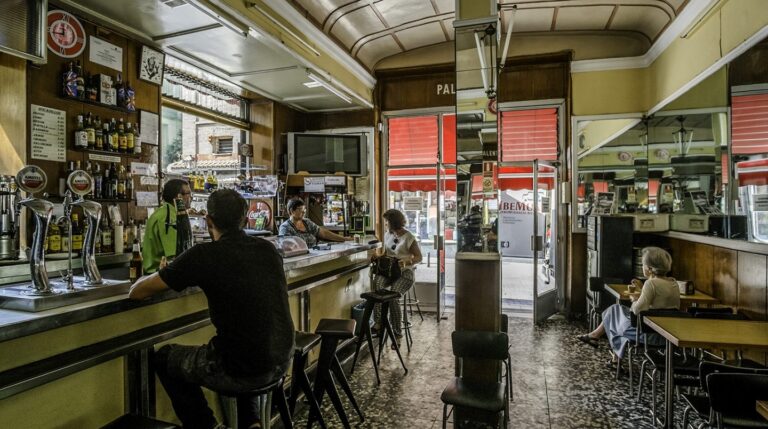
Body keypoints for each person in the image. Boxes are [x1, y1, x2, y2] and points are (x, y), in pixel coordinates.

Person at [129, 189, 295, 429]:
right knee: (243, 339)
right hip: (281, 360)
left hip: (242, 368)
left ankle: (208, 426)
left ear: (208, 220)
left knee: (165, 358)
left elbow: (138, 292)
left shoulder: (203, 255)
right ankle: (252, 423)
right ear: (245, 217)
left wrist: (164, 271)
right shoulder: (267, 249)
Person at [577, 247, 680, 362]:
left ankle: (612, 355)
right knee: (615, 310)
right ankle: (596, 337)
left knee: (613, 320)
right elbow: (660, 304)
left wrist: (633, 299)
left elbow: (635, 311)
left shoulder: (651, 284)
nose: (642, 267)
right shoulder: (673, 283)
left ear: (650, 269)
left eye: (643, 265)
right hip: (668, 334)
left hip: (649, 335)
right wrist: (641, 293)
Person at [371, 209, 423, 345]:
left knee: (393, 296)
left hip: (405, 274)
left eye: (387, 221)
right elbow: (387, 254)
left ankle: (397, 334)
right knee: (377, 285)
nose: (386, 224)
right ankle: (379, 323)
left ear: (393, 222)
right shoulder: (389, 235)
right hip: (389, 272)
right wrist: (378, 256)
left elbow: (419, 257)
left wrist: (406, 262)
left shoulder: (408, 237)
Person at [141, 179, 193, 274]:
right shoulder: (169, 217)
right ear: (179, 197)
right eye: (188, 193)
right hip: (158, 275)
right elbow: (175, 255)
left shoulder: (164, 212)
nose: (191, 197)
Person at [278, 198, 351, 247]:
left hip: (313, 256)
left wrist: (344, 239)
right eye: (300, 209)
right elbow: (287, 248)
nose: (303, 212)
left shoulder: (307, 222)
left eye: (304, 209)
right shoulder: (285, 228)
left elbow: (324, 233)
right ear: (291, 211)